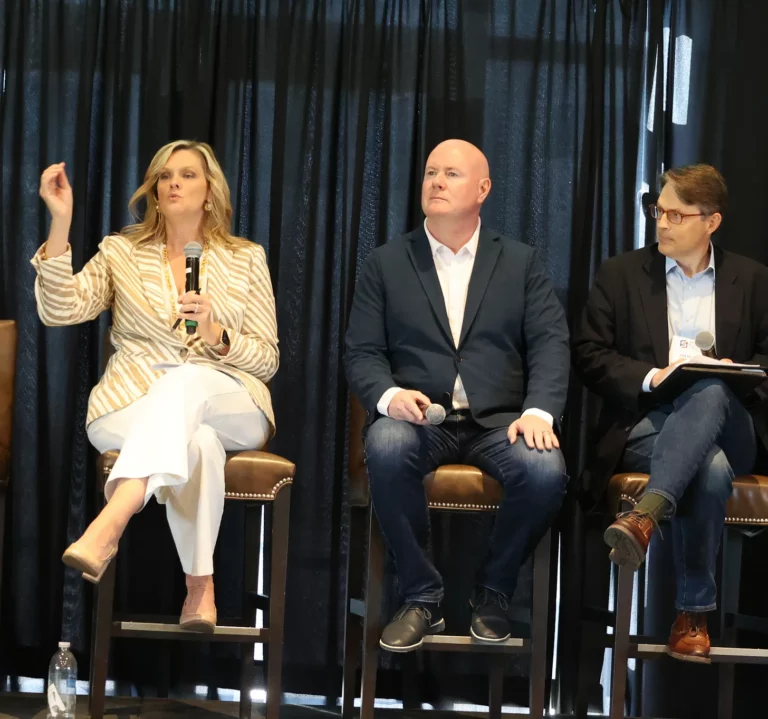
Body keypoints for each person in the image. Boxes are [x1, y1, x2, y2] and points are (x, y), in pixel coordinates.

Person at [33, 140, 279, 632]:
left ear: (209, 191)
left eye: (187, 175)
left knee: (190, 383)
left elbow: (268, 359)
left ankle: (112, 519)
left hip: (228, 396)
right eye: (164, 175)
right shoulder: (121, 251)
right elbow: (59, 311)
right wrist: (60, 222)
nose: (173, 183)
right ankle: (199, 587)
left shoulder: (246, 258)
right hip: (130, 403)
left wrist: (217, 335)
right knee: (199, 443)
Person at [344, 139, 570, 651]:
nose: (437, 182)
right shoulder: (387, 263)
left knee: (545, 470)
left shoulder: (520, 262)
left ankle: (493, 592)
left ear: (483, 189)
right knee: (385, 445)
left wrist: (539, 412)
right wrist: (388, 397)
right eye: (430, 173)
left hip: (500, 422)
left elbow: (552, 345)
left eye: (451, 173)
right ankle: (422, 597)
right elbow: (361, 352)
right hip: (421, 419)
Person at [573, 164, 768, 662]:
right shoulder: (620, 274)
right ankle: (693, 616)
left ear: (711, 222)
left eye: (676, 215)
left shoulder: (752, 279)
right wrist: (652, 377)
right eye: (657, 210)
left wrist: (734, 370)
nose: (661, 222)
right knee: (710, 467)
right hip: (645, 424)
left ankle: (646, 515)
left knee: (710, 387)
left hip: (733, 424)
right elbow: (589, 355)